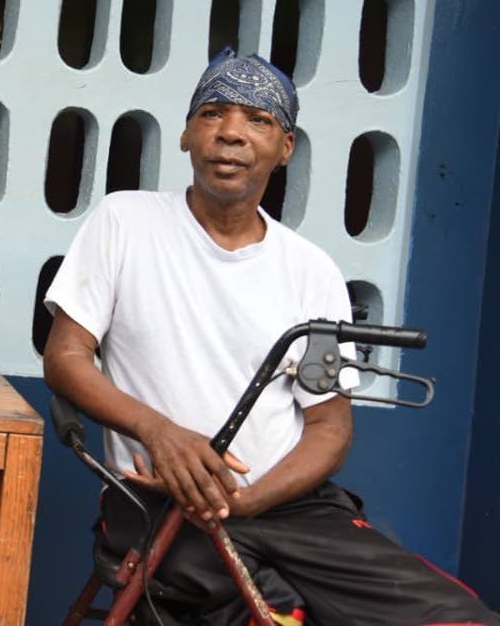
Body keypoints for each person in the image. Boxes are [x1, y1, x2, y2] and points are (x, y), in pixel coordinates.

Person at [43, 49, 498, 626]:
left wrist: (249, 500)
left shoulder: (312, 270)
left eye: (258, 120)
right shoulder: (125, 222)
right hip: (158, 505)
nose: (230, 133)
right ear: (186, 135)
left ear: (285, 148)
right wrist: (158, 432)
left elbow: (330, 429)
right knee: (263, 612)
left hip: (292, 509)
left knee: (454, 617)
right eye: (212, 113)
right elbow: (64, 357)